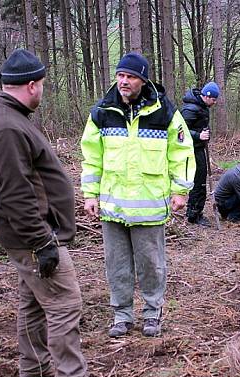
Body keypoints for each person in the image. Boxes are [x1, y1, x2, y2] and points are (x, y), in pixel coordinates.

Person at [0, 49, 113, 377]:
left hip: (30, 235)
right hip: (33, 237)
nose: (43, 91)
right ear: (32, 85)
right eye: (43, 85)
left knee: (35, 303)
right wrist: (43, 243)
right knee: (65, 302)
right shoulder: (8, 127)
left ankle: (34, 368)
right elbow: (15, 193)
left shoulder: (13, 119)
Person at [80, 52, 195, 338]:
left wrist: (181, 190)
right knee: (116, 266)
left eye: (130, 76)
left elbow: (181, 152)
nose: (123, 81)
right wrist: (90, 195)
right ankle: (122, 316)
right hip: (112, 207)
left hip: (149, 208)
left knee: (151, 266)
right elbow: (91, 158)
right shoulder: (102, 112)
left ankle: (152, 314)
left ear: (142, 80)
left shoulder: (165, 112)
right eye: (120, 75)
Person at [181, 81, 220, 226]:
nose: (215, 102)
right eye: (214, 99)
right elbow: (180, 130)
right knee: (198, 181)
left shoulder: (202, 107)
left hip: (199, 148)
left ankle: (197, 212)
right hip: (191, 150)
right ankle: (193, 214)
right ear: (207, 96)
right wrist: (198, 136)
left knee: (201, 180)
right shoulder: (190, 109)